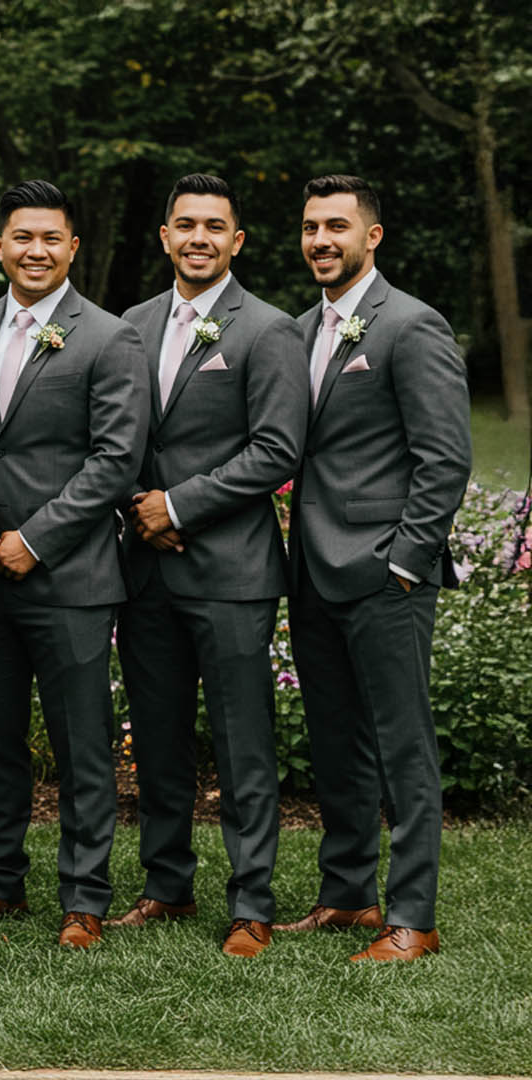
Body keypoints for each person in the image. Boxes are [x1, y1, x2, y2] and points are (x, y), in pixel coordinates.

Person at [0, 180, 148, 949]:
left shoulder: (108, 337)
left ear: (71, 248)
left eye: (50, 239)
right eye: (21, 237)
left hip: (72, 578)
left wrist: (36, 537)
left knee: (81, 744)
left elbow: (116, 458)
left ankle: (84, 897)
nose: (35, 251)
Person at [112, 174, 306, 958]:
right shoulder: (128, 325)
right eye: (184, 224)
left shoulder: (268, 330)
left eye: (213, 226)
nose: (198, 237)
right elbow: (111, 435)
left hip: (231, 574)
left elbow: (275, 450)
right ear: (164, 236)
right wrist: (137, 505)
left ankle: (252, 901)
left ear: (237, 241)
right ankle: (166, 886)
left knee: (241, 741)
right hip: (146, 569)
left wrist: (178, 506)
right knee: (156, 740)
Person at [281, 174, 471, 962]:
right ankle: (349, 894)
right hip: (314, 573)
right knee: (335, 743)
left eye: (337, 226)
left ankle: (413, 917)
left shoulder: (412, 326)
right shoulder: (297, 330)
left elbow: (445, 458)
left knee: (402, 746)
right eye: (310, 227)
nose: (322, 240)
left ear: (372, 236)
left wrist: (404, 562)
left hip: (385, 576)